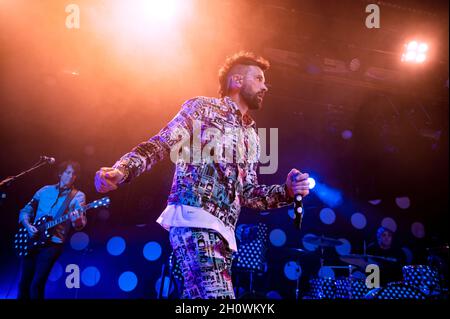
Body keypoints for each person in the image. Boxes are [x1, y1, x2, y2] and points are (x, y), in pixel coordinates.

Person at [94, 51, 310, 299]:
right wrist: (123, 168)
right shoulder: (202, 108)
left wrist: (287, 192)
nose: (265, 86)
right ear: (237, 81)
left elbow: (248, 194)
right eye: (259, 78)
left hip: (224, 235)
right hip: (193, 220)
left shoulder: (252, 137)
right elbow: (162, 143)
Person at [17, 160, 86, 299]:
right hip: (32, 239)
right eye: (68, 172)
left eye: (74, 174)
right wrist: (27, 225)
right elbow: (26, 210)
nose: (71, 176)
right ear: (60, 174)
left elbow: (80, 224)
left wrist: (77, 219)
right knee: (23, 284)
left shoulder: (78, 196)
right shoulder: (44, 190)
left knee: (36, 284)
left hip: (52, 244)